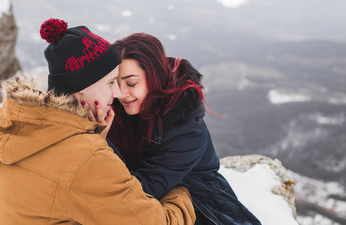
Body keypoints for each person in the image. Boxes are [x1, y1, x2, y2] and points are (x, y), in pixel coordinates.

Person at [0, 19, 196, 224]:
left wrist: (93, 139)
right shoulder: (86, 158)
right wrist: (183, 192)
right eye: (111, 82)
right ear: (82, 87)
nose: (118, 92)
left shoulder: (12, 122)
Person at [107, 32, 261, 225]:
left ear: (155, 77)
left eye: (131, 83)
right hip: (153, 202)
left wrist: (102, 139)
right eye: (115, 83)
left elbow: (144, 189)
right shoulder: (117, 110)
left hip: (199, 207)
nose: (121, 94)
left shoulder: (187, 128)